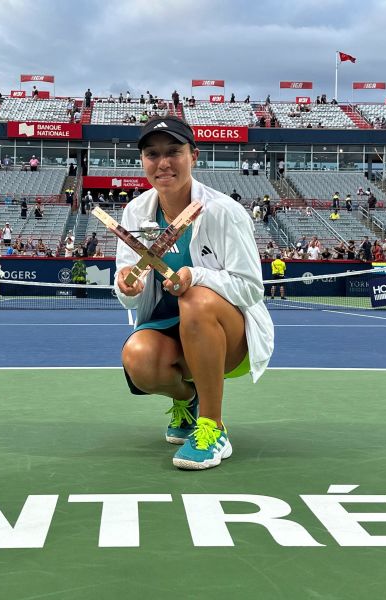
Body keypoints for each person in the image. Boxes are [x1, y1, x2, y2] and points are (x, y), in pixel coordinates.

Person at [115, 115, 274, 471]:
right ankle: (188, 398)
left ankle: (212, 428)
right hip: (169, 332)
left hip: (228, 339)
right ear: (142, 161)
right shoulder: (134, 211)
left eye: (174, 152)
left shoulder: (224, 212)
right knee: (138, 357)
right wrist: (127, 284)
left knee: (196, 297)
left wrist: (195, 276)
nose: (163, 163)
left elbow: (251, 288)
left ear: (194, 156)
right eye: (152, 154)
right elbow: (129, 292)